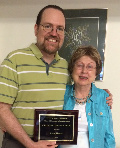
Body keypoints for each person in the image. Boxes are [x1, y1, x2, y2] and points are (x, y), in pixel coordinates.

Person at [0, 5, 113, 148]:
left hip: (52, 144)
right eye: (48, 26)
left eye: (59, 28)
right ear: (36, 29)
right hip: (18, 143)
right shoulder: (14, 60)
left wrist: (103, 96)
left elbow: (78, 89)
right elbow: (2, 108)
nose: (54, 33)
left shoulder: (65, 66)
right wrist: (30, 144)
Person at [59, 46, 115, 148]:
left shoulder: (104, 97)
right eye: (79, 65)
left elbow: (109, 136)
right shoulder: (61, 93)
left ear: (96, 72)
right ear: (72, 69)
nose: (84, 71)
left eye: (90, 67)